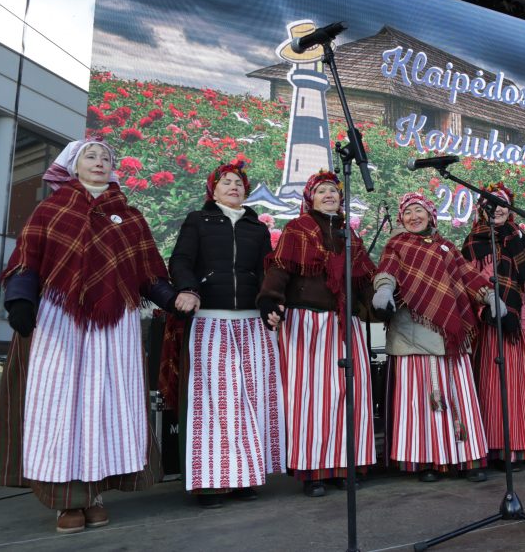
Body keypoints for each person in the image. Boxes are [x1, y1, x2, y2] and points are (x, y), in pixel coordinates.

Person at [0, 137, 178, 533]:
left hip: (113, 325)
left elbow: (147, 272)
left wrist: (173, 299)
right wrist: (19, 301)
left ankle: (96, 493)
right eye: (91, 156)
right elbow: (27, 260)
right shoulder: (50, 209)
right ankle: (66, 500)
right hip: (61, 319)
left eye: (106, 157)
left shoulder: (131, 216)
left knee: (105, 406)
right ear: (72, 165)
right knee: (60, 405)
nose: (100, 161)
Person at [168, 162, 285, 508]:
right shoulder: (197, 220)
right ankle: (211, 483)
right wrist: (188, 288)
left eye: (239, 183)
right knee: (216, 402)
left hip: (251, 321)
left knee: (251, 399)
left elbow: (270, 271)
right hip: (211, 318)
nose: (233, 187)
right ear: (213, 189)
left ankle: (245, 476)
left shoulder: (256, 226)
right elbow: (181, 260)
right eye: (226, 182)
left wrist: (269, 303)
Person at [256, 170, 376, 497]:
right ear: (310, 197)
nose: (329, 196)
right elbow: (280, 267)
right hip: (308, 322)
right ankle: (313, 470)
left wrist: (379, 302)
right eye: (322, 191)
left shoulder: (348, 235)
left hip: (343, 323)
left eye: (334, 192)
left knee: (348, 394)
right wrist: (269, 297)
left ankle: (345, 465)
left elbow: (364, 278)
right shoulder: (298, 229)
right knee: (309, 399)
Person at [373, 191, 503, 482]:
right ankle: (427, 461)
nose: (413, 217)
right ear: (401, 218)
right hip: (412, 335)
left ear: (431, 215)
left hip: (450, 336)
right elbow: (388, 270)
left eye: (419, 211)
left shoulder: (446, 247)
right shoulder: (396, 244)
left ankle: (466, 458)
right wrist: (383, 288)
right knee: (421, 402)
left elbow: (468, 276)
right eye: (407, 212)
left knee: (459, 396)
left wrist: (489, 295)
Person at [460, 183, 525, 469]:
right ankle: (504, 449)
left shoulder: (520, 240)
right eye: (492, 203)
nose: (498, 208)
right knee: (500, 389)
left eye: (502, 203)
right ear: (481, 208)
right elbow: (468, 284)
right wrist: (487, 309)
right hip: (495, 324)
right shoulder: (473, 243)